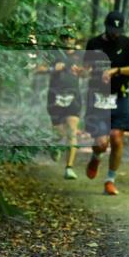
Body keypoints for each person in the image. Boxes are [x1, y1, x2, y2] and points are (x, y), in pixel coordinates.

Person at [84, 11, 129, 195]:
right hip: (98, 97)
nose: (115, 33)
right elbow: (85, 69)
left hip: (119, 97)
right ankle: (96, 156)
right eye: (112, 29)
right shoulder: (94, 43)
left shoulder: (128, 43)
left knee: (116, 137)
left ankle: (110, 180)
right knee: (101, 143)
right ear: (105, 26)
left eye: (118, 30)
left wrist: (116, 71)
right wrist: (81, 71)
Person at [40, 28, 85, 179]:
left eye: (71, 37)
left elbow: (88, 72)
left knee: (72, 131)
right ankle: (54, 145)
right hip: (55, 96)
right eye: (65, 37)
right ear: (61, 38)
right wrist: (53, 68)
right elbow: (38, 69)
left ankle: (69, 168)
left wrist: (82, 72)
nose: (68, 40)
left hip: (74, 96)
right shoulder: (54, 53)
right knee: (58, 133)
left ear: (75, 38)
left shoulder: (80, 55)